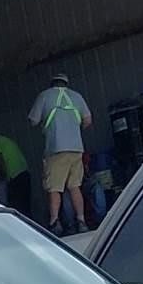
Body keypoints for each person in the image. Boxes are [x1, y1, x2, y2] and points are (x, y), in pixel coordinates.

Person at [28, 72, 93, 233]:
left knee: (54, 188)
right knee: (75, 186)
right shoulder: (77, 96)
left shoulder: (44, 96)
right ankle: (81, 221)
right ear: (66, 84)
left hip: (56, 149)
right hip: (76, 148)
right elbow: (88, 120)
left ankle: (54, 222)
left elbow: (33, 120)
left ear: (53, 84)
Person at [0, 130, 34, 221]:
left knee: (16, 207)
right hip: (24, 172)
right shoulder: (4, 140)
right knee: (26, 206)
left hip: (15, 176)